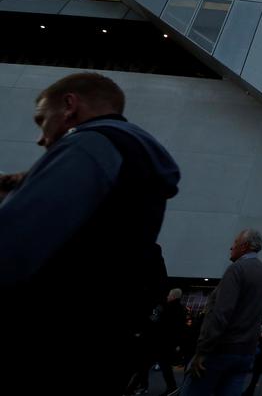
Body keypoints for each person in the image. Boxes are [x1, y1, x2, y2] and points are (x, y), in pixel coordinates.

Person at [0, 72, 180, 393]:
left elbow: (16, 244)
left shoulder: (88, 144)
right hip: (98, 344)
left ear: (69, 105)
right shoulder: (134, 157)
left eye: (41, 119)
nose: (41, 138)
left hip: (44, 342)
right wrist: (26, 183)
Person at [180, 229, 262, 396]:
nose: (231, 247)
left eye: (235, 243)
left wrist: (202, 350)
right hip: (246, 352)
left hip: (221, 349)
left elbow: (221, 312)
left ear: (244, 246)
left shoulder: (236, 269)